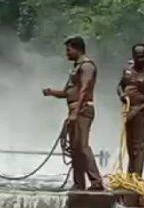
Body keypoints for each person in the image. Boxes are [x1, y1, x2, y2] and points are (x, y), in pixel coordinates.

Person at [43, 36, 104, 191]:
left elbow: (84, 89)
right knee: (75, 149)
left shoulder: (86, 66)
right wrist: (51, 92)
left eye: (68, 49)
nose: (66, 53)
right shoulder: (76, 68)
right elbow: (67, 92)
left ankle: (96, 181)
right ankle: (79, 183)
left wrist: (75, 113)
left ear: (77, 48)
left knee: (83, 147)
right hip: (74, 109)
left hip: (82, 110)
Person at [117, 43, 144, 177]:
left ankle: (137, 177)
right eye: (138, 57)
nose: (140, 60)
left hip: (142, 112)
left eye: (143, 57)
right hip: (128, 110)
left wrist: (138, 110)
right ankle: (130, 176)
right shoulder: (128, 69)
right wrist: (122, 95)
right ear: (133, 56)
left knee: (139, 146)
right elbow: (119, 86)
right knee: (130, 145)